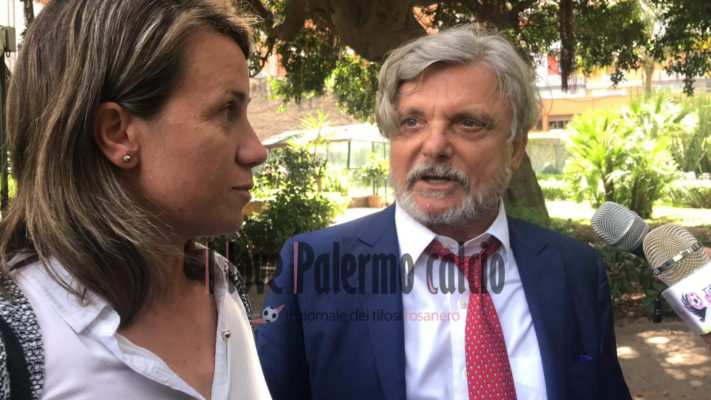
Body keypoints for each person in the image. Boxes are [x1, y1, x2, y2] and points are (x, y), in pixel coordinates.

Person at [256, 25, 631, 399]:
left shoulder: (575, 269)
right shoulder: (313, 269)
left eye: (468, 123)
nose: (434, 146)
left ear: (516, 149)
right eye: (412, 122)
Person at [0, 0, 270, 398]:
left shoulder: (223, 287)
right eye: (227, 110)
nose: (256, 150)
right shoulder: (16, 335)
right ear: (118, 134)